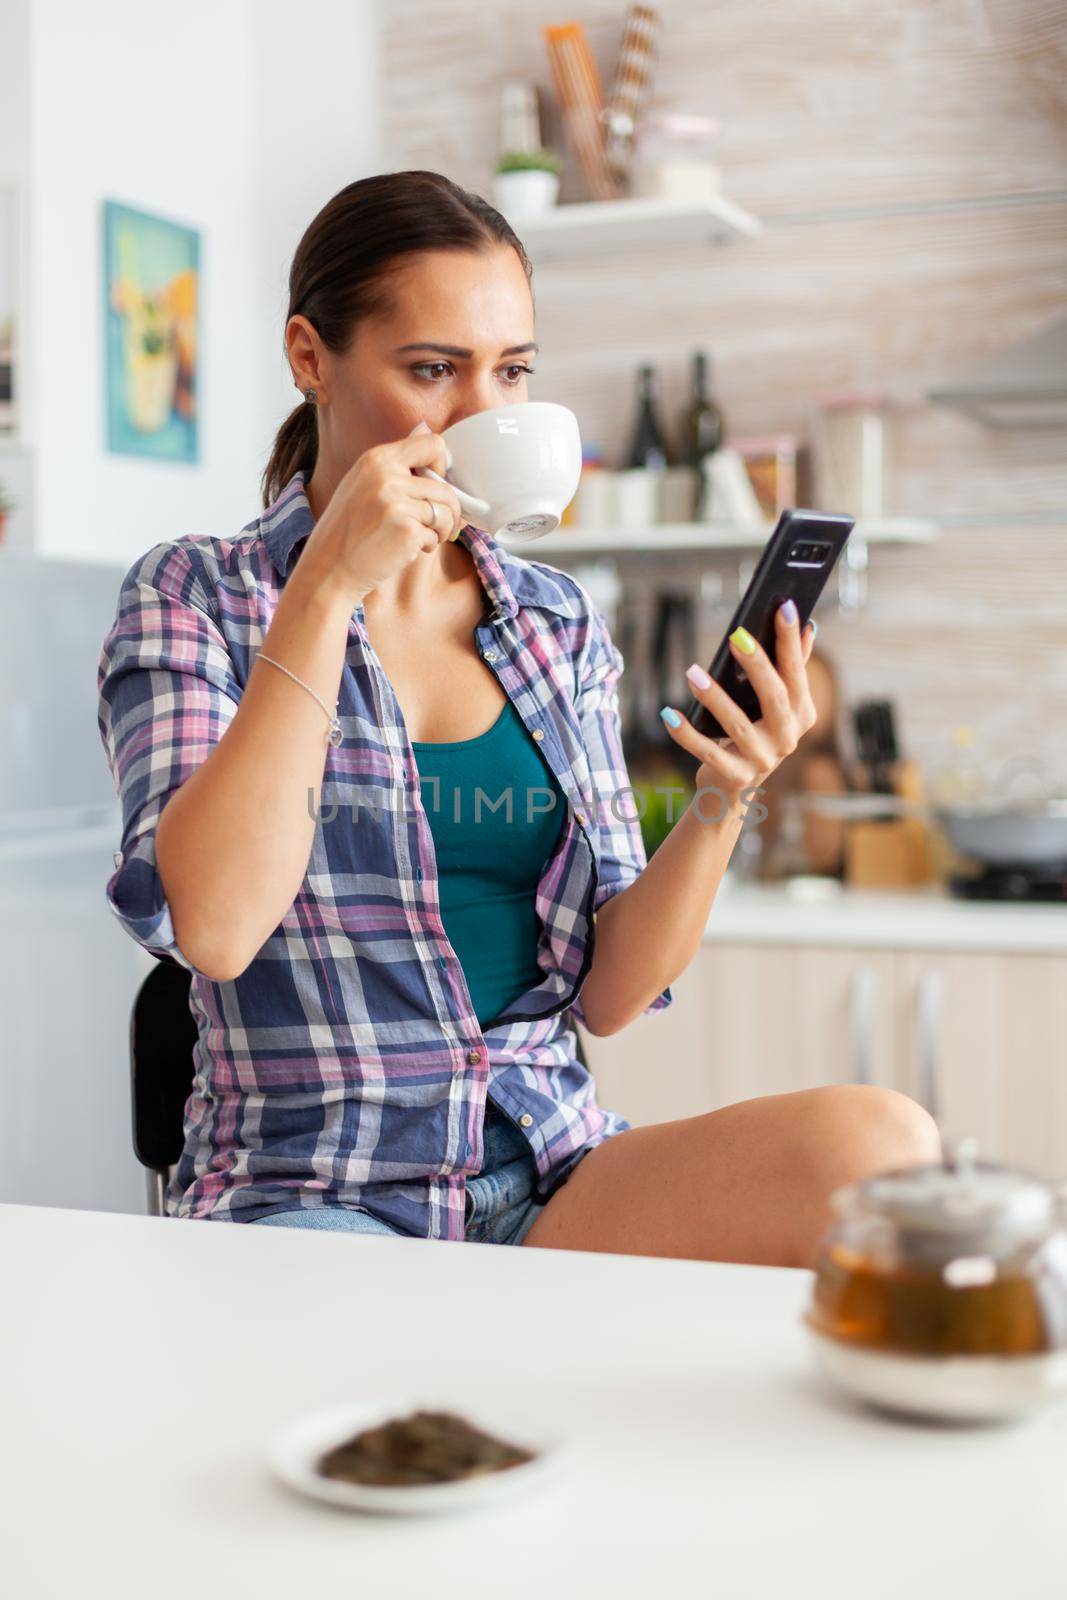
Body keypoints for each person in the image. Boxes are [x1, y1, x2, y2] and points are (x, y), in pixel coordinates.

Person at [97, 171, 938, 1268]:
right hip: (314, 1191)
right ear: (311, 357)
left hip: (549, 1172)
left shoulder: (553, 620)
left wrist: (727, 791)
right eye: (434, 370)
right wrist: (322, 594)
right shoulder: (192, 597)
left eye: (513, 371)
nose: (484, 415)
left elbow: (612, 992)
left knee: (879, 1145)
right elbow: (212, 925)